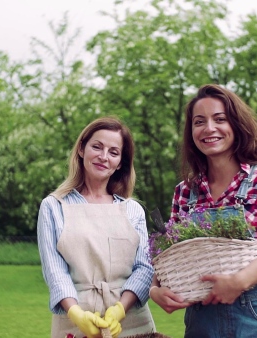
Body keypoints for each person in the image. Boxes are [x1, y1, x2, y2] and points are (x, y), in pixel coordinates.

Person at [149, 84, 257, 337]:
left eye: (219, 119)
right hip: (202, 319)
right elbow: (169, 254)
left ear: (236, 124)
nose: (209, 128)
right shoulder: (185, 192)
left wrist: (238, 282)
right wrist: (156, 289)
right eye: (199, 122)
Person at [37, 116, 155, 338]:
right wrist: (76, 314)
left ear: (120, 162)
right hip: (76, 320)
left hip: (131, 321)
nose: (103, 157)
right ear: (81, 149)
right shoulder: (53, 207)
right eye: (97, 147)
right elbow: (55, 271)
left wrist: (120, 309)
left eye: (113, 152)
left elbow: (144, 267)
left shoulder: (133, 210)